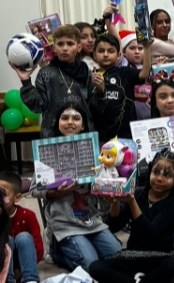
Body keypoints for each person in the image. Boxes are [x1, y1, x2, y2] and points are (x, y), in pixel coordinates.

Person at [89, 151, 174, 283]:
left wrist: (131, 202)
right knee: (95, 267)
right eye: (155, 172)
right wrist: (114, 202)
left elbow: (151, 232)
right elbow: (114, 226)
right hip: (133, 258)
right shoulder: (140, 195)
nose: (159, 178)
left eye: (167, 175)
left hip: (159, 259)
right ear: (149, 172)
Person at [34, 104, 122, 272]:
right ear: (57, 123)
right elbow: (35, 190)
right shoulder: (48, 151)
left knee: (117, 256)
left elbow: (103, 184)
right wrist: (55, 192)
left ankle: (77, 247)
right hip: (64, 224)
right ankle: (56, 249)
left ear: (83, 125)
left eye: (76, 118)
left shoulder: (95, 153)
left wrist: (109, 189)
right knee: (91, 266)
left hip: (91, 221)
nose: (70, 122)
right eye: (65, 118)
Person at [13, 24, 96, 137]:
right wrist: (25, 81)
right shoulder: (46, 73)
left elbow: (94, 104)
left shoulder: (86, 72)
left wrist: (101, 90)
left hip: (83, 135)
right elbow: (38, 106)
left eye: (70, 44)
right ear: (54, 48)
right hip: (52, 135)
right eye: (60, 44)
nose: (65, 48)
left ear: (79, 47)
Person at [0, 171, 44, 283]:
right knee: (6, 239)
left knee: (24, 237)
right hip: (1, 266)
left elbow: (38, 249)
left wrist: (20, 271)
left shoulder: (28, 216)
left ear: (17, 198)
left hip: (24, 264)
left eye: (3, 194)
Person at [90, 33, 152, 142]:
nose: (105, 54)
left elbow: (144, 74)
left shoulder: (125, 72)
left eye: (110, 51)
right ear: (94, 55)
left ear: (119, 56)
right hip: (101, 137)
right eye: (101, 51)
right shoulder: (90, 77)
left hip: (126, 135)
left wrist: (147, 48)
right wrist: (100, 92)